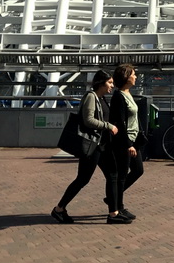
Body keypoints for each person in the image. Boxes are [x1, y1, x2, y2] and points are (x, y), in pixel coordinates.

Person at [51, 71, 122, 224]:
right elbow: (88, 120)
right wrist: (108, 126)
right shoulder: (91, 97)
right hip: (92, 145)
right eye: (109, 83)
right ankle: (59, 209)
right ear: (101, 83)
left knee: (112, 175)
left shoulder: (101, 98)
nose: (112, 86)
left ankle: (114, 213)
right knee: (83, 179)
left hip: (102, 145)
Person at [109, 63, 144, 223]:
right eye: (133, 74)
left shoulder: (128, 93)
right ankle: (118, 206)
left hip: (133, 140)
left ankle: (114, 200)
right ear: (126, 77)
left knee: (138, 170)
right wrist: (128, 143)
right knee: (122, 175)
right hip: (124, 142)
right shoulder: (118, 96)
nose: (136, 76)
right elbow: (120, 122)